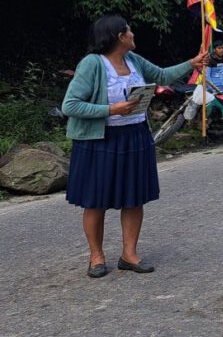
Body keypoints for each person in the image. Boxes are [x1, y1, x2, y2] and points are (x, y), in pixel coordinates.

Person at [63, 15, 207, 278]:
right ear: (119, 36)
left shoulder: (134, 61)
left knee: (134, 197)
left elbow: (162, 75)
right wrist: (111, 109)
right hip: (100, 140)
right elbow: (70, 105)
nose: (132, 34)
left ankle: (129, 254)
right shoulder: (93, 64)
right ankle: (96, 256)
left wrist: (192, 63)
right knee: (96, 200)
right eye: (129, 30)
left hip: (135, 136)